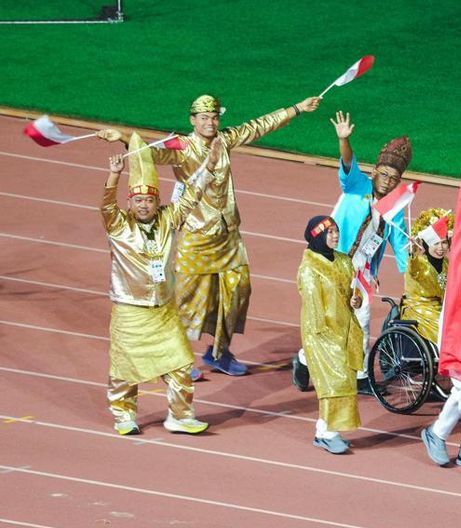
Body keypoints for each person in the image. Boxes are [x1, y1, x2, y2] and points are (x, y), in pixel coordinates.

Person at [99, 93, 322, 377]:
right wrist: (123, 136)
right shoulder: (181, 147)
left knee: (237, 293)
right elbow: (147, 151)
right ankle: (173, 359)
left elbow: (260, 125)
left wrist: (296, 108)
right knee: (184, 300)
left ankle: (219, 352)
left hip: (228, 233)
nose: (211, 122)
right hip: (196, 236)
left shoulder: (225, 140)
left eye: (215, 117)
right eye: (204, 118)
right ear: (193, 120)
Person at [102, 133, 221, 435]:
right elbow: (106, 208)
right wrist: (114, 176)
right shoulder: (119, 225)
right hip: (131, 310)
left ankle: (180, 416)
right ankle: (124, 415)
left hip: (164, 310)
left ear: (158, 201)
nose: (144, 205)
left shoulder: (169, 218)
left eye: (150, 200)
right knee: (126, 369)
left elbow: (192, 194)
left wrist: (210, 165)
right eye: (139, 200)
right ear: (131, 202)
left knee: (181, 363)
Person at [292, 111, 412, 392]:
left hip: (362, 271)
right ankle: (303, 359)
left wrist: (411, 273)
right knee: (333, 321)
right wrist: (344, 140)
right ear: (373, 172)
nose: (387, 181)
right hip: (334, 263)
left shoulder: (395, 207)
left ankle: (360, 377)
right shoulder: (357, 185)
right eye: (383, 174)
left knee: (362, 318)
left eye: (393, 178)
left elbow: (399, 243)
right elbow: (347, 162)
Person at [297, 215, 364, 454]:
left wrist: (356, 300)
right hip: (321, 333)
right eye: (330, 233)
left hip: (345, 328)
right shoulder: (309, 269)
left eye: (336, 231)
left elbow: (350, 293)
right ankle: (328, 433)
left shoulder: (344, 261)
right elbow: (314, 306)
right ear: (317, 237)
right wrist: (321, 334)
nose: (335, 236)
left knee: (344, 380)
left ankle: (324, 429)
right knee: (333, 382)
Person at [401, 208, 453, 344]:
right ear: (426, 244)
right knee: (445, 329)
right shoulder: (419, 263)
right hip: (419, 308)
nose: (440, 248)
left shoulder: (447, 263)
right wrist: (412, 253)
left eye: (444, 242)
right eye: (435, 243)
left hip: (440, 307)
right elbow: (414, 269)